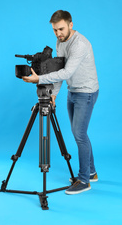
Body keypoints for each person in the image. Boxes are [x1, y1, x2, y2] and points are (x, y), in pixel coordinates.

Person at [22, 10, 99, 195]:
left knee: (79, 134)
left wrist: (39, 79)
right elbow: (59, 68)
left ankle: (83, 180)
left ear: (71, 25)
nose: (58, 34)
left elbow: (66, 73)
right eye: (55, 30)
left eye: (61, 29)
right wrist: (54, 94)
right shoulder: (60, 42)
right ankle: (91, 172)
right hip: (72, 91)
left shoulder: (79, 44)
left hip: (86, 92)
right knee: (79, 133)